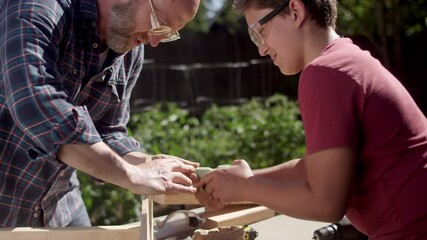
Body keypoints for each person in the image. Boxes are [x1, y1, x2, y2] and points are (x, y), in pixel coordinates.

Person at [195, 0, 427, 239]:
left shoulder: (326, 72)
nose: (261, 49)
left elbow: (326, 203)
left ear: (295, 11)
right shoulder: (345, 60)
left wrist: (245, 187)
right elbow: (313, 168)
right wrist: (234, 181)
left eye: (259, 32)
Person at [0, 0, 200, 227]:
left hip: (60, 208)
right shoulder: (40, 6)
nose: (154, 41)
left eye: (168, 33)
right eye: (158, 23)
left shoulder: (130, 49)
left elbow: (108, 132)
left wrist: (149, 165)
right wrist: (132, 177)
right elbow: (35, 105)